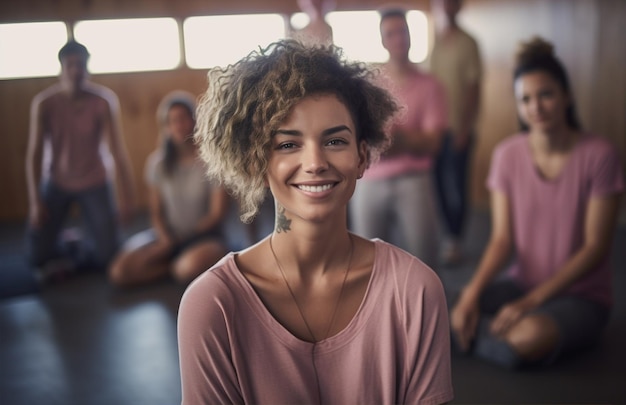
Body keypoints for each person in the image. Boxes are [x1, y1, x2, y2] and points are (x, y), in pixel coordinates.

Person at [178, 40, 453, 404]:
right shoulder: (212, 305)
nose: (315, 162)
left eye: (335, 141)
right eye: (289, 145)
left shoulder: (415, 291)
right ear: (257, 162)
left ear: (361, 157)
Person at [450, 37, 624, 369]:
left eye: (545, 94)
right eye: (525, 99)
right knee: (445, 305)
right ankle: (478, 332)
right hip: (521, 281)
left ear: (566, 95)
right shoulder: (506, 155)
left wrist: (529, 304)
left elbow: (596, 248)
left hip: (582, 295)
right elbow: (502, 240)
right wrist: (472, 296)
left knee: (526, 336)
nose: (536, 107)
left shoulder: (600, 154)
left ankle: (475, 339)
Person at [25, 40, 135, 281]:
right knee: (36, 256)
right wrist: (35, 202)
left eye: (81, 65)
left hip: (95, 180)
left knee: (109, 256)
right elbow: (34, 153)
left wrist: (126, 197)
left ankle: (82, 241)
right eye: (70, 65)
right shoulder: (44, 104)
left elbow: (117, 151)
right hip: (55, 181)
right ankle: (70, 240)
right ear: (60, 69)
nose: (76, 70)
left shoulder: (103, 101)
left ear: (88, 68)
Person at [350, 7, 447, 267]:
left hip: (414, 180)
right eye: (391, 33)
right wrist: (406, 140)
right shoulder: (367, 85)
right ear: (383, 40)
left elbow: (433, 143)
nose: (398, 39)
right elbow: (359, 138)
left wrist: (394, 140)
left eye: (403, 31)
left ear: (410, 35)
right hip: (370, 179)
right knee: (364, 262)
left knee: (424, 258)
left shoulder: (430, 85)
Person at [108, 92, 228, 287]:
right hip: (168, 237)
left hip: (204, 237)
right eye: (172, 121)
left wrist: (182, 239)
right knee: (119, 272)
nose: (179, 126)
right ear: (166, 127)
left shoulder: (212, 162)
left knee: (185, 269)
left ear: (194, 121)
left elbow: (217, 214)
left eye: (183, 119)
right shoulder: (157, 164)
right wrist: (165, 238)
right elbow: (156, 212)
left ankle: (177, 265)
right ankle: (171, 265)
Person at [430, 0, 482, 265]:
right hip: (437, 131)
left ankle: (456, 239)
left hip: (459, 129)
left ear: (459, 7)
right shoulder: (436, 40)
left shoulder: (468, 42)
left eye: (452, 2)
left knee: (458, 186)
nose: (447, 6)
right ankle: (447, 234)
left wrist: (465, 128)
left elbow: (474, 88)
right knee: (437, 183)